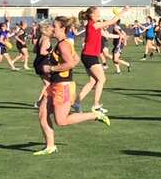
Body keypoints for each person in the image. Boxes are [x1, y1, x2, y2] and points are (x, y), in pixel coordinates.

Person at [35, 16, 111, 155]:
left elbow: (70, 63)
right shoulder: (62, 43)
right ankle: (50, 146)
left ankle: (95, 115)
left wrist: (51, 69)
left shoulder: (63, 44)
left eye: (55, 27)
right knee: (42, 113)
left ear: (62, 29)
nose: (52, 28)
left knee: (61, 121)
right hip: (54, 85)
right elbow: (75, 59)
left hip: (62, 87)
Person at [75, 6, 119, 114]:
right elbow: (113, 21)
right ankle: (96, 105)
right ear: (91, 15)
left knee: (93, 81)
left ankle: (76, 103)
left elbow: (106, 34)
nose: (99, 14)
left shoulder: (96, 25)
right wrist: (123, 11)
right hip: (89, 56)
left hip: (88, 55)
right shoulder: (94, 24)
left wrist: (119, 36)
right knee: (102, 79)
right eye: (97, 12)